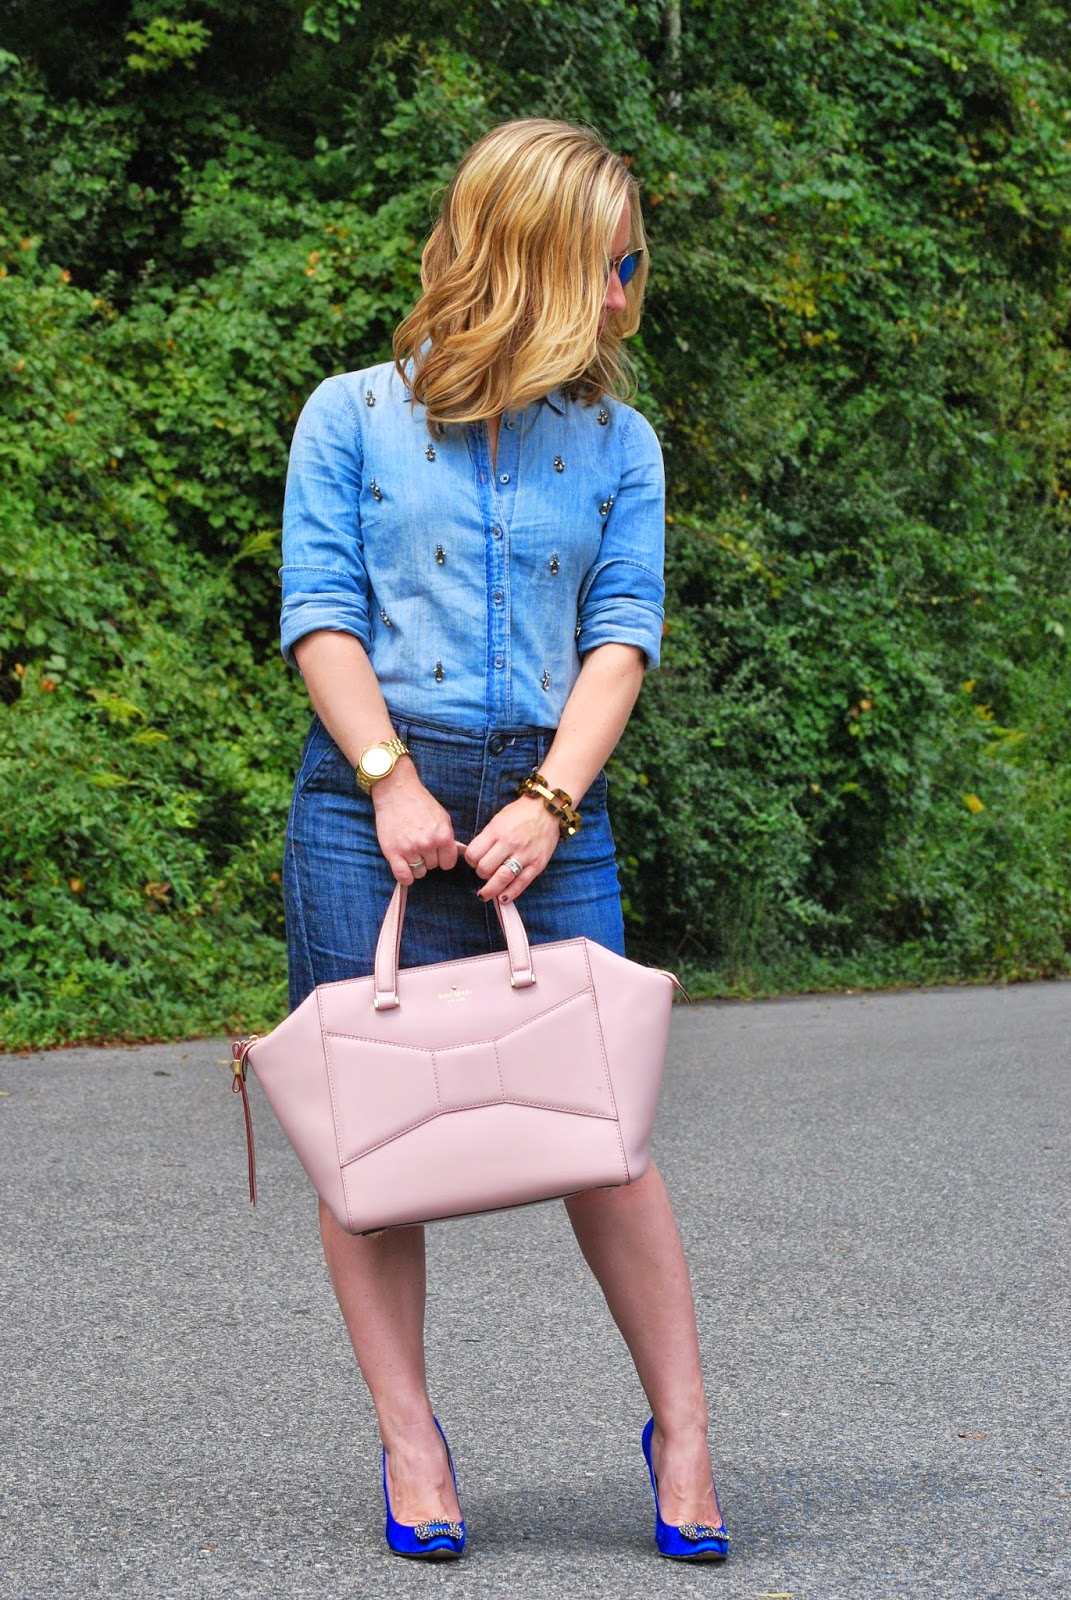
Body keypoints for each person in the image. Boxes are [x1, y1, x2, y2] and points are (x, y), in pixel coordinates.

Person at [279, 117, 728, 1563]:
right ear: (527, 260)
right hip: (368, 804)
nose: (624, 295)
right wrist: (390, 778)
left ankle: (687, 1430)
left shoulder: (620, 444)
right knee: (372, 1143)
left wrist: (548, 801)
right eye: (608, 265)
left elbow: (622, 638)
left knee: (609, 1141)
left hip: (554, 803)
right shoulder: (348, 417)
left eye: (632, 264)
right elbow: (321, 613)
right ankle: (412, 1443)